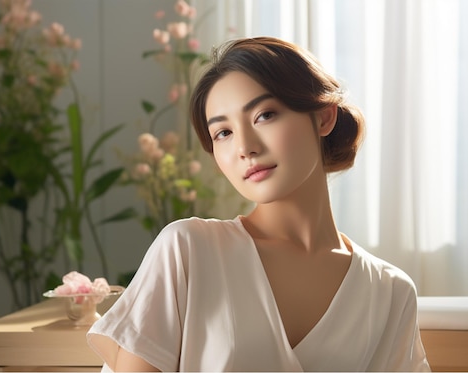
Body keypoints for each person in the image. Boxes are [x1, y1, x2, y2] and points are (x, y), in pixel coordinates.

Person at [87, 36, 430, 372]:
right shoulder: (189, 251)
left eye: (264, 115)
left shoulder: (390, 292)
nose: (245, 147)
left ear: (324, 118)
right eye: (223, 133)